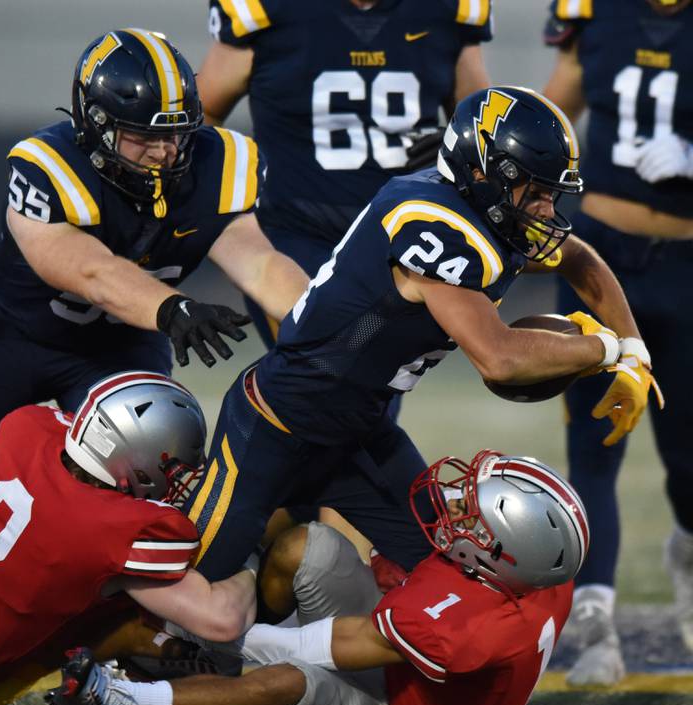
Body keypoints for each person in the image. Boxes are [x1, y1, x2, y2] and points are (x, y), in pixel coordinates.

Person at [179, 85, 658, 587]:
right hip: (278, 423)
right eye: (535, 192)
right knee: (195, 582)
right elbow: (499, 358)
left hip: (360, 431)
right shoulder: (434, 223)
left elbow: (580, 259)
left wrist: (636, 352)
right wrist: (608, 350)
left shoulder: (489, 213)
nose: (544, 209)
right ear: (483, 174)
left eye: (550, 194)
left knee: (450, 576)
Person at [0, 28, 307, 516]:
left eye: (176, 132)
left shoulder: (218, 163)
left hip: (120, 350)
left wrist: (328, 325)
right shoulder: (48, 165)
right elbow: (88, 270)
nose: (165, 151)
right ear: (96, 124)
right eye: (144, 136)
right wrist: (170, 309)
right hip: (4, 336)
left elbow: (260, 263)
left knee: (148, 489)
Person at [47, 450, 587, 705]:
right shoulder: (535, 572)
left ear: (504, 552)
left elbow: (307, 648)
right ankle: (186, 656)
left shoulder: (464, 626)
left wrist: (194, 621)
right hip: (410, 654)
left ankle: (120, 696)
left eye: (476, 518)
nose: (458, 507)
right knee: (312, 546)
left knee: (286, 678)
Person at [0, 371, 257, 705]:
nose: (181, 474)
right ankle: (65, 696)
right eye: (173, 464)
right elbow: (222, 620)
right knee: (120, 595)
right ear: (137, 459)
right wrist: (250, 554)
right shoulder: (121, 527)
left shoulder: (25, 427)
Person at [542, 0, 693, 685]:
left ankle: (686, 551)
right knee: (596, 439)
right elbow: (549, 114)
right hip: (597, 258)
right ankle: (596, 617)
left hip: (687, 265)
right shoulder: (593, 10)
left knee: (687, 453)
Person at [199, 0, 493, 348]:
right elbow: (203, 118)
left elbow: (481, 130)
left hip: (399, 239)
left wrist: (452, 145)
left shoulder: (446, 10)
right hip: (295, 232)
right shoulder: (265, 10)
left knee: (375, 386)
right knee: (315, 372)